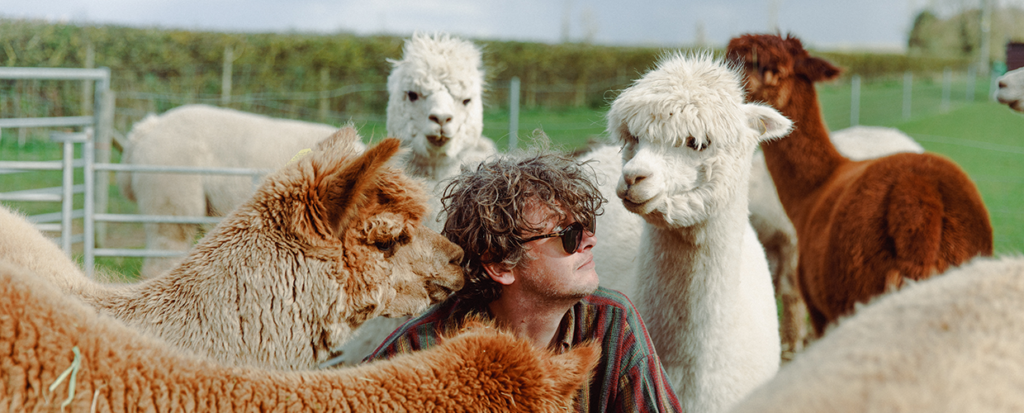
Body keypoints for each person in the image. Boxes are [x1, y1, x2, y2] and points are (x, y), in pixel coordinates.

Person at [365, 151, 682, 412]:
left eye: (586, 224)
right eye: (568, 236)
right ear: (500, 264)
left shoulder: (611, 323)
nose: (589, 241)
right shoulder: (420, 353)